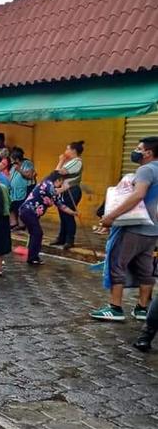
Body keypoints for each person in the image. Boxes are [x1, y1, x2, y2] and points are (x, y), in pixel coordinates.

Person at [91, 137, 158, 322]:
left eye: (139, 148)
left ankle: (115, 308)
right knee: (146, 269)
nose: (135, 151)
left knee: (117, 265)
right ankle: (142, 308)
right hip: (152, 231)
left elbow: (138, 195)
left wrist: (111, 217)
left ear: (148, 153)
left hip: (133, 228)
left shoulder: (146, 170)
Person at [19, 171, 74, 266]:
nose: (62, 184)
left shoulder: (53, 193)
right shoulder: (47, 184)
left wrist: (74, 213)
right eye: (62, 181)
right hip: (28, 211)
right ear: (58, 180)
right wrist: (65, 188)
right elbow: (54, 191)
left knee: (35, 234)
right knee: (37, 233)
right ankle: (32, 257)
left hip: (32, 214)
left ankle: (33, 257)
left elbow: (61, 206)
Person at [53, 140, 84, 249]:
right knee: (62, 215)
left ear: (73, 151)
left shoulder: (76, 161)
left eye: (67, 149)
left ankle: (69, 239)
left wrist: (61, 161)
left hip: (72, 191)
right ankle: (61, 237)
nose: (66, 151)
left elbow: (57, 173)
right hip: (64, 190)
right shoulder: (71, 161)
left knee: (68, 215)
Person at [8, 148, 35, 230]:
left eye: (12, 158)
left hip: (24, 189)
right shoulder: (13, 165)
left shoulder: (27, 163)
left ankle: (21, 224)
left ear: (17, 158)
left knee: (20, 206)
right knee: (12, 206)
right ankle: (13, 222)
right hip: (13, 190)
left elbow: (30, 176)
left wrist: (19, 170)